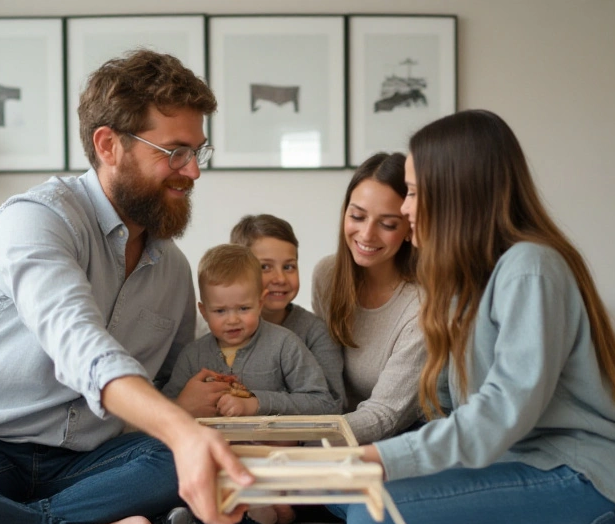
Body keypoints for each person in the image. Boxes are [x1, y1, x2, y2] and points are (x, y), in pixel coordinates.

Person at [0, 50, 254, 524]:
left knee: (175, 460)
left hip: (89, 460)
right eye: (175, 152)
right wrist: (183, 434)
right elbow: (77, 341)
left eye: (197, 153)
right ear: (108, 145)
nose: (193, 172)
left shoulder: (175, 271)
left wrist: (184, 412)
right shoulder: (36, 219)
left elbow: (159, 385)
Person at [340, 110, 615, 524]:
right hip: (523, 465)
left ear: (457, 194)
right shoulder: (464, 284)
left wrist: (383, 458)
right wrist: (377, 457)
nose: (405, 209)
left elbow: (503, 409)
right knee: (344, 493)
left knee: (373, 516)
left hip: (581, 478)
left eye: (415, 193)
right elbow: (453, 406)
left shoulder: (530, 270)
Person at [312, 153, 426, 445]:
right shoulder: (327, 275)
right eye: (357, 216)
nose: (366, 234)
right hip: (335, 435)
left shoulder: (423, 304)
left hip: (398, 442)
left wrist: (303, 440)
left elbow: (384, 416)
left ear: (408, 229)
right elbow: (323, 375)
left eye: (387, 224)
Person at [161, 243, 337, 417]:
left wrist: (256, 403)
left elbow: (323, 403)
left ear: (260, 304)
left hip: (272, 445)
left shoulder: (285, 345)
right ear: (204, 312)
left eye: (244, 308)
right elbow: (164, 412)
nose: (232, 320)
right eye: (220, 311)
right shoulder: (192, 355)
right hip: (208, 444)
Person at [229, 214, 345, 408]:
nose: (280, 278)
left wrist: (257, 403)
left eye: (289, 266)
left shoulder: (315, 333)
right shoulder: (218, 327)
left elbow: (333, 402)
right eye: (265, 267)